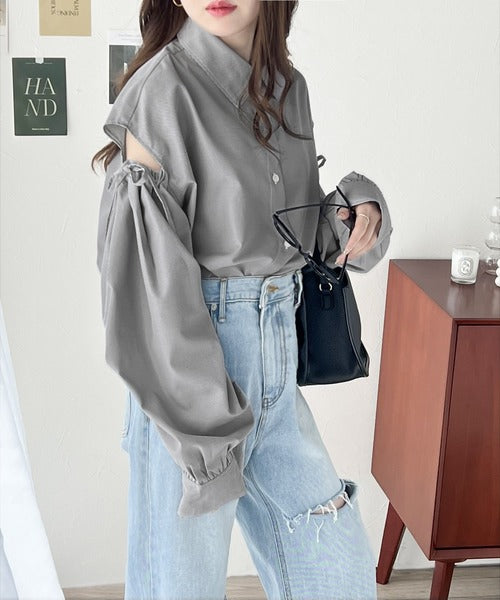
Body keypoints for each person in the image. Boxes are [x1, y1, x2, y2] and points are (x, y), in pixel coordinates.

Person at [91, 1, 393, 598]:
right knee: (182, 589)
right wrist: (205, 436)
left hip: (276, 372)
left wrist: (358, 211)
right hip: (190, 380)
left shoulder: (288, 90)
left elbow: (295, 241)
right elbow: (147, 295)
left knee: (338, 577)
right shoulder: (160, 94)